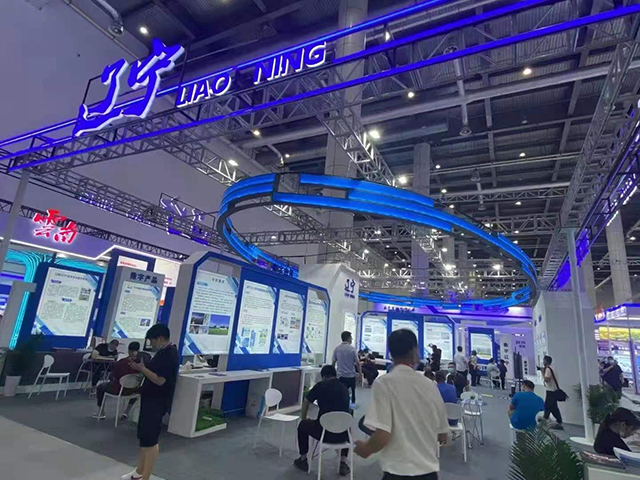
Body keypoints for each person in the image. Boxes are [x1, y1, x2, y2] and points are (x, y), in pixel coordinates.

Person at [355, 329, 449, 480]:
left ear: (391, 354)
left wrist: (365, 449)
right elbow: (443, 436)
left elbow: (382, 435)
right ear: (415, 352)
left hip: (397, 472)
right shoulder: (430, 385)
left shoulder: (384, 383)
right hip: (428, 473)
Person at [121, 324, 179, 480]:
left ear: (160, 339)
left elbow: (160, 380)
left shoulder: (170, 354)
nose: (151, 344)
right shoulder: (162, 352)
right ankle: (139, 472)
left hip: (157, 402)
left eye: (152, 341)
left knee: (150, 440)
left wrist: (142, 369)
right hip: (150, 400)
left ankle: (145, 476)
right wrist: (140, 368)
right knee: (145, 438)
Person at [294, 365, 351, 476]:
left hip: (324, 433)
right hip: (342, 435)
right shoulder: (344, 388)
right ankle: (343, 462)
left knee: (302, 425)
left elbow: (306, 401)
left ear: (323, 377)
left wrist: (304, 417)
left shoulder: (320, 386)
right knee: (346, 425)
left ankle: (303, 459)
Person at [92, 341, 143, 420]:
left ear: (128, 350)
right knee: (138, 389)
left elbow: (113, 376)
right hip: (132, 391)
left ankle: (101, 412)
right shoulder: (141, 364)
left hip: (117, 389)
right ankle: (126, 411)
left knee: (100, 387)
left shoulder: (121, 362)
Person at [331, 331, 362, 404]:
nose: (352, 339)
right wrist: (360, 374)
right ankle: (352, 405)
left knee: (341, 393)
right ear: (348, 338)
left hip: (341, 376)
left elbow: (333, 363)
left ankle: (340, 405)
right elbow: (357, 363)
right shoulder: (352, 349)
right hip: (351, 376)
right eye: (351, 338)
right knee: (353, 393)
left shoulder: (337, 349)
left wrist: (332, 375)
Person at [540, 355, 564, 430]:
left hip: (550, 390)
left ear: (546, 361)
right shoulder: (553, 368)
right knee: (553, 408)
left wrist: (542, 372)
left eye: (543, 360)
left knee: (547, 406)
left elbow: (547, 379)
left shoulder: (548, 369)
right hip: (554, 390)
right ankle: (559, 421)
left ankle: (544, 420)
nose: (543, 362)